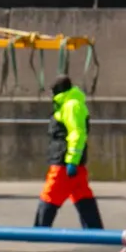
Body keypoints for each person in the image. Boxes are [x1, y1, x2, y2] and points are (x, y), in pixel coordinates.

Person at [34, 74, 104, 229]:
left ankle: (39, 232)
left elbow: (76, 133)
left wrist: (72, 160)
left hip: (64, 162)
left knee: (50, 195)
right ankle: (95, 232)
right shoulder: (69, 104)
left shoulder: (71, 106)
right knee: (82, 196)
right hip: (70, 162)